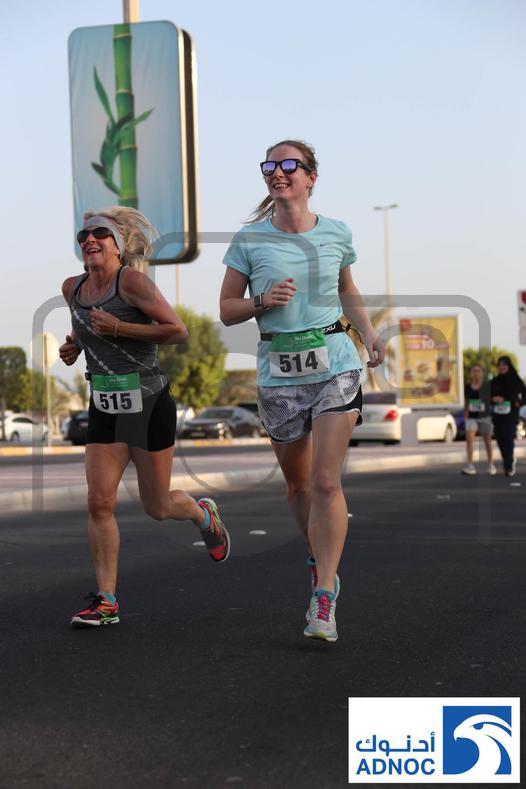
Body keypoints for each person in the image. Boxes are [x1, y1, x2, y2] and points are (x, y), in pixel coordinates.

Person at [219, 140, 385, 642]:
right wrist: (262, 300)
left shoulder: (336, 232)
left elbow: (347, 289)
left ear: (311, 177)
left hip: (335, 362)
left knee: (325, 481)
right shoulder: (249, 239)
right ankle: (318, 557)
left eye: (289, 165)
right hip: (279, 371)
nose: (278, 172)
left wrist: (369, 333)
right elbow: (227, 310)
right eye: (270, 165)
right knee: (297, 487)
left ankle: (324, 594)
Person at [60, 207, 230, 628]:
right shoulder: (72, 288)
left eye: (100, 233)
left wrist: (120, 329)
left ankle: (202, 515)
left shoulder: (133, 282)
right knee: (99, 501)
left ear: (118, 245)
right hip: (104, 404)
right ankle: (107, 601)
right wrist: (74, 346)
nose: (90, 239)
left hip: (148, 403)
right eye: (83, 235)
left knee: (157, 506)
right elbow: (85, 327)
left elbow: (177, 330)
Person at [491, 355, 526, 476]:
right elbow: (487, 397)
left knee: (508, 436)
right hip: (497, 415)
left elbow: (524, 395)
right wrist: (493, 399)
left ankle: (509, 465)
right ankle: (507, 460)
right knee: (500, 438)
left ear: (509, 366)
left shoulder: (516, 380)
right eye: (499, 365)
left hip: (511, 414)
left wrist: (518, 403)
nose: (501, 367)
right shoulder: (494, 381)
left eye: (504, 365)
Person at [461, 363, 496, 475]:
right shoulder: (467, 387)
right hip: (472, 417)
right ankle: (470, 465)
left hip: (485, 417)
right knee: (469, 440)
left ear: (482, 374)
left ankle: (491, 464)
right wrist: (465, 415)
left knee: (487, 441)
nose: (476, 373)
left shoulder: (487, 386)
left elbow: (493, 399)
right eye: (474, 371)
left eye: (478, 371)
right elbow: (467, 402)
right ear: (471, 374)